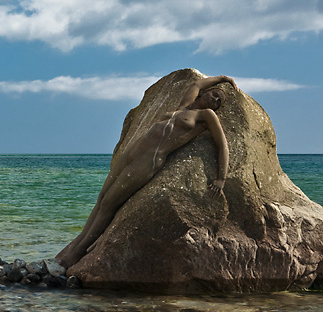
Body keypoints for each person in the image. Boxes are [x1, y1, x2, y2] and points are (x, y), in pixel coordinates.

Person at [56, 75, 237, 269]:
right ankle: (77, 242)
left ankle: (76, 253)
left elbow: (222, 145)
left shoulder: (206, 116)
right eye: (215, 95)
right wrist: (224, 78)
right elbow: (196, 83)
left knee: (109, 203)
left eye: (219, 102)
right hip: (132, 153)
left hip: (149, 161)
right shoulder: (184, 106)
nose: (215, 101)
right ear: (204, 93)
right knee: (101, 197)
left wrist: (221, 178)